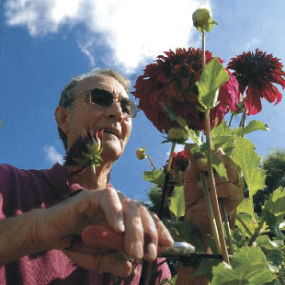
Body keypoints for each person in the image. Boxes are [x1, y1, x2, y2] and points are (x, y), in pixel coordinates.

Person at [0, 68, 243, 284]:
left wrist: (201, 237)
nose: (117, 112)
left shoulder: (142, 229)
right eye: (101, 99)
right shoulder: (8, 184)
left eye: (127, 108)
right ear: (64, 118)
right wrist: (42, 228)